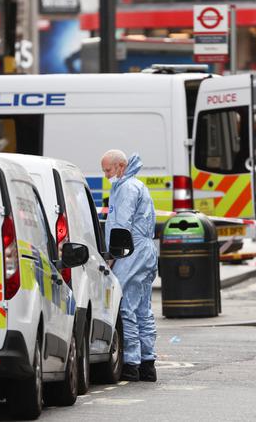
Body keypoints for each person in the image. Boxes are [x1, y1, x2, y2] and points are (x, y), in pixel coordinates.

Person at [101, 149, 158, 381]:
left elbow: (121, 227)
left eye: (108, 170)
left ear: (121, 166)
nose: (106, 175)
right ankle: (147, 363)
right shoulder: (134, 186)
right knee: (143, 308)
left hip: (130, 251)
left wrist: (112, 258)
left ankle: (131, 364)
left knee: (125, 305)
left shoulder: (126, 189)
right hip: (143, 251)